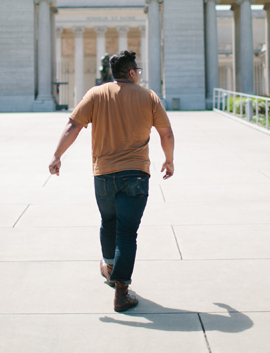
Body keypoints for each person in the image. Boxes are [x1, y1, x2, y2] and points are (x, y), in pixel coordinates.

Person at [48, 50, 175, 313]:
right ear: (131, 73)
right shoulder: (149, 97)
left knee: (108, 223)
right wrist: (169, 160)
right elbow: (167, 133)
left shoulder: (96, 94)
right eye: (137, 71)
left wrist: (57, 155)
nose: (138, 75)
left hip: (103, 173)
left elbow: (73, 126)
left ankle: (109, 269)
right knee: (127, 233)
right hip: (136, 175)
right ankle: (121, 292)